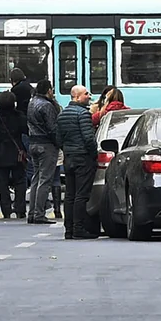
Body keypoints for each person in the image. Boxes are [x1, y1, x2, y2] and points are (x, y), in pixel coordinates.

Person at [56, 85, 99, 240]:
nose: (89, 96)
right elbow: (89, 139)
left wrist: (67, 150)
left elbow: (58, 139)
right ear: (76, 97)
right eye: (86, 94)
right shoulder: (83, 114)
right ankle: (78, 228)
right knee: (81, 195)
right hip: (83, 158)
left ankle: (68, 229)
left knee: (70, 195)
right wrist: (93, 155)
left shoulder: (62, 115)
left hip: (69, 158)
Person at [0, 90, 28, 219]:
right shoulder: (19, 116)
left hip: (0, 152)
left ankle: (6, 210)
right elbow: (26, 130)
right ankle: (20, 209)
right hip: (17, 152)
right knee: (20, 181)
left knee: (2, 183)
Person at [26, 79, 61, 224]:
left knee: (36, 178)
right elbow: (52, 128)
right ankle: (39, 214)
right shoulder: (47, 105)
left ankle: (32, 213)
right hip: (46, 145)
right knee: (45, 180)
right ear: (48, 90)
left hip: (33, 143)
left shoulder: (32, 102)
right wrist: (59, 143)